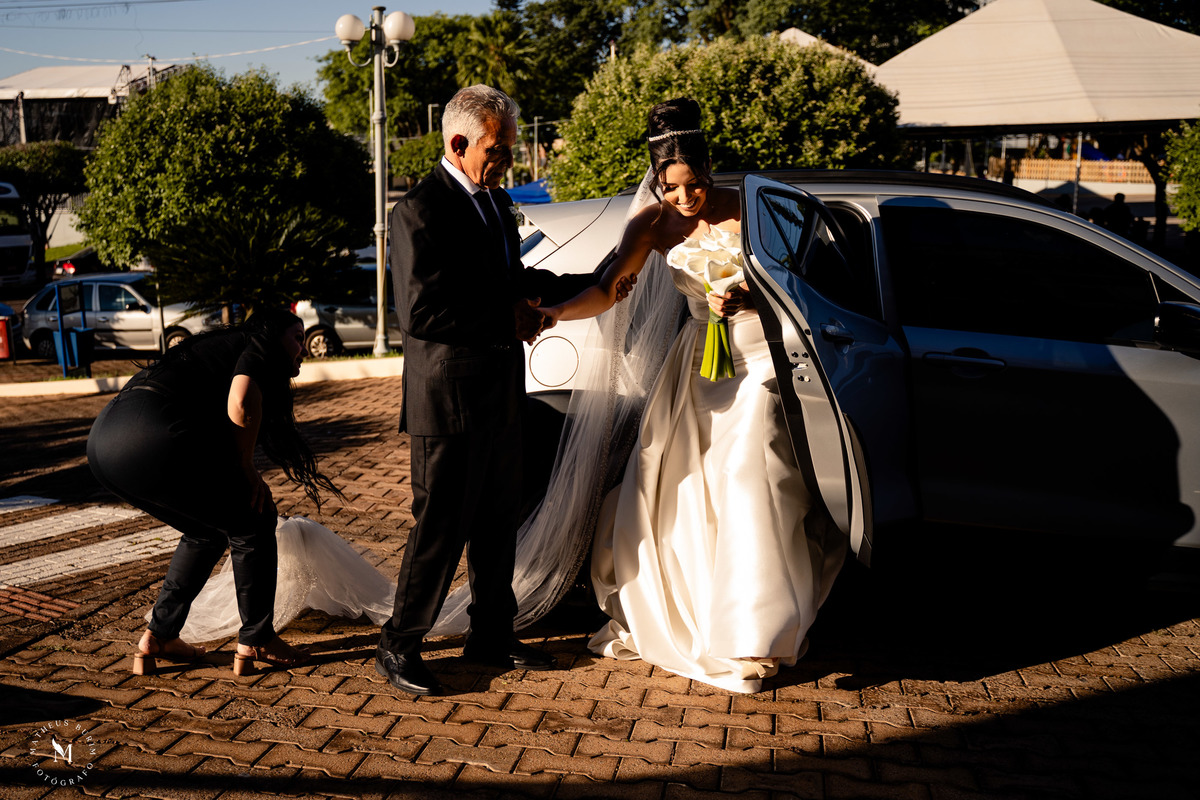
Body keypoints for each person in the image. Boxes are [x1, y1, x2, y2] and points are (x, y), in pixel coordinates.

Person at [537, 98, 846, 694]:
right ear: (657, 180)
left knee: (750, 478)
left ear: (709, 170)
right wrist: (554, 314)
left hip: (761, 362)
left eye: (694, 185)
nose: (684, 198)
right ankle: (705, 618)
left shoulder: (751, 209)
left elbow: (801, 284)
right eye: (671, 187)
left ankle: (754, 632)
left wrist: (753, 298)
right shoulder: (650, 225)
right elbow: (606, 289)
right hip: (697, 368)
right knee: (684, 492)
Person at [375, 84, 600, 696]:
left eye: (508, 149)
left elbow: (517, 279)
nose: (506, 160)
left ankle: (492, 634)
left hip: (501, 390)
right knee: (441, 528)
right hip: (447, 401)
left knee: (499, 522)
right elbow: (420, 313)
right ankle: (399, 644)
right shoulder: (419, 209)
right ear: (459, 142)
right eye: (497, 149)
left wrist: (601, 275)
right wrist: (508, 320)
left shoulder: (497, 204)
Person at [87, 308, 340, 677]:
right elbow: (241, 400)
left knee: (205, 530)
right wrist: (246, 468)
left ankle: (160, 636)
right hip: (152, 433)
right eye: (297, 338)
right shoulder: (258, 343)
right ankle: (257, 639)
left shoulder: (222, 348)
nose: (302, 349)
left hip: (103, 443)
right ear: (273, 334)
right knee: (255, 518)